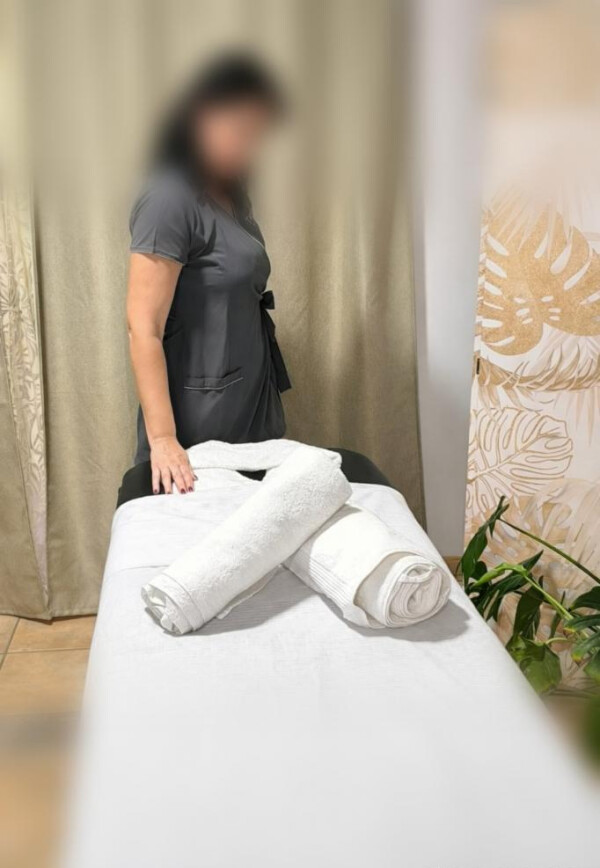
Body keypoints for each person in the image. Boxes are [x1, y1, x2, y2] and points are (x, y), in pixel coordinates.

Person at [127, 53, 290, 495]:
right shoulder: (168, 198)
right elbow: (143, 326)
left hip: (250, 402)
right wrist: (164, 439)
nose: (249, 146)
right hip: (200, 420)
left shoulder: (232, 192)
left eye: (257, 134)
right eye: (240, 130)